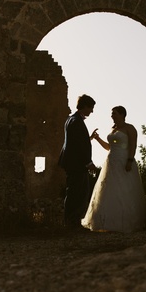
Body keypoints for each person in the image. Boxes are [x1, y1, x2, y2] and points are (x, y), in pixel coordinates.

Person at [82, 105, 146, 233]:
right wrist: (97, 138)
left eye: (114, 113)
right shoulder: (113, 129)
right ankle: (107, 222)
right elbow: (109, 147)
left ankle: (126, 223)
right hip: (111, 162)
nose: (112, 116)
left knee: (124, 189)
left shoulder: (130, 128)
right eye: (112, 114)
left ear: (122, 114)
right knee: (109, 190)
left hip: (124, 161)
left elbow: (133, 145)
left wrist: (129, 160)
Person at [58, 94, 97, 228]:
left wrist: (89, 138)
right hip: (77, 164)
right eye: (91, 108)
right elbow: (78, 146)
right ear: (85, 106)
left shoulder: (71, 119)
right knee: (79, 192)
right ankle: (73, 222)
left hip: (72, 162)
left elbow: (78, 141)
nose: (91, 111)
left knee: (74, 191)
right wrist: (89, 162)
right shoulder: (76, 121)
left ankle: (70, 221)